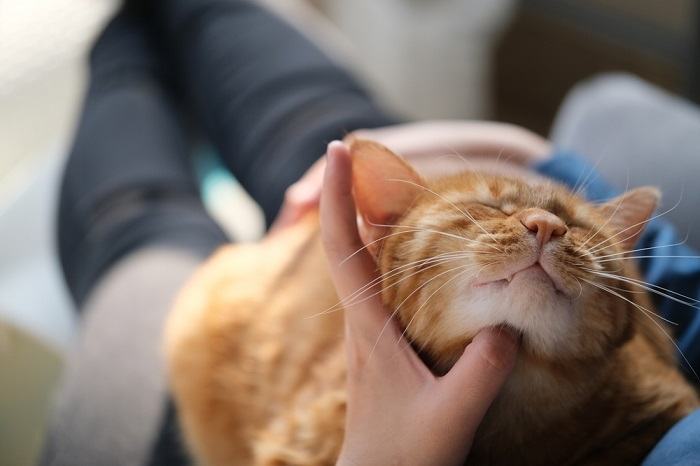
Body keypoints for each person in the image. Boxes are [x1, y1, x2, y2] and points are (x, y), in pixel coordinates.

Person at [43, 1, 700, 465]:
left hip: (240, 322)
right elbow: (657, 266)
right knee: (275, 76)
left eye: (570, 229)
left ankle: (110, 41)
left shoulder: (645, 419)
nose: (543, 226)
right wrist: (511, 146)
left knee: (139, 221)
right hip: (407, 198)